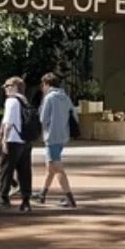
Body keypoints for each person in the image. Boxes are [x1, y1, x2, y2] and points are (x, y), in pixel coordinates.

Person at [37, 72, 77, 208]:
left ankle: (69, 197)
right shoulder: (65, 97)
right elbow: (74, 115)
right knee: (51, 167)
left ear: (47, 84)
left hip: (51, 136)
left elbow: (43, 118)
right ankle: (43, 193)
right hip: (62, 136)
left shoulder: (49, 98)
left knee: (57, 167)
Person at [0, 76, 34, 212]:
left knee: (6, 169)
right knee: (25, 171)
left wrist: (4, 139)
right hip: (25, 140)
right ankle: (26, 199)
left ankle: (3, 197)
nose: (6, 89)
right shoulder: (24, 101)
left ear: (15, 87)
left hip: (13, 139)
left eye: (8, 86)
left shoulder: (11, 101)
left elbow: (8, 122)